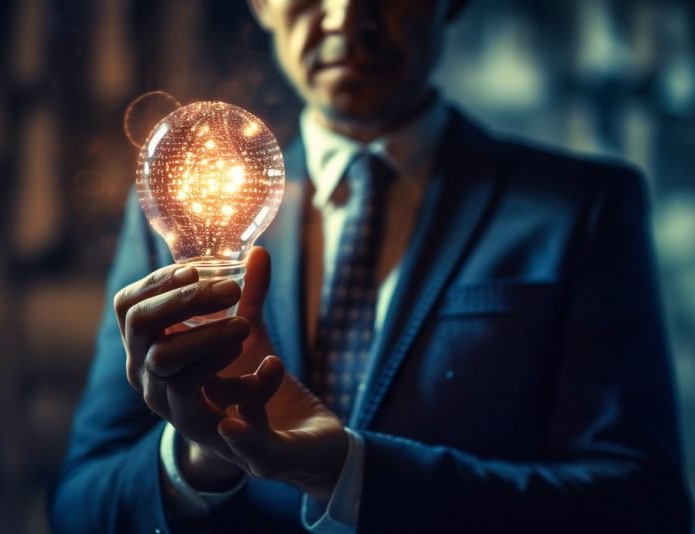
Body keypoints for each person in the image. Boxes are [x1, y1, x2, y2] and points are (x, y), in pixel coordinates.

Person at [50, 0, 693, 532]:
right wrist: (197, 457)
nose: (345, 15)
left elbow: (643, 506)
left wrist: (351, 472)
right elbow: (80, 505)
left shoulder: (581, 210)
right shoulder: (186, 212)